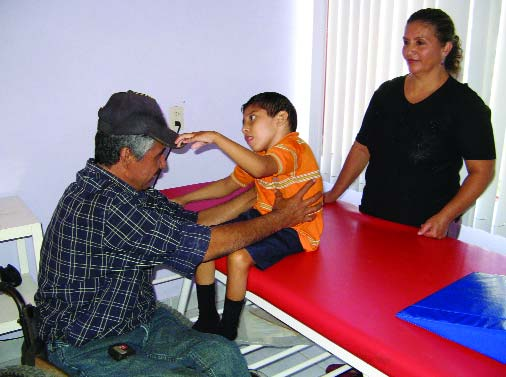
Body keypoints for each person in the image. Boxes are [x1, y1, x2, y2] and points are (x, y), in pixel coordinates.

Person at [34, 90, 322, 377]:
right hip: (88, 343)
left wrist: (256, 195)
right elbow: (207, 246)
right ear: (126, 155)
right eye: (159, 155)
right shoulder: (107, 206)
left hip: (141, 320)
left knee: (223, 355)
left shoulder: (130, 193)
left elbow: (198, 221)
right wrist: (282, 217)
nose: (164, 165)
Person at [323, 8, 495, 239]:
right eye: (406, 42)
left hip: (428, 228)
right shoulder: (387, 93)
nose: (409, 51)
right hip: (374, 217)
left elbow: (481, 172)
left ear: (445, 48)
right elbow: (362, 148)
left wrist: (444, 217)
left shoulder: (467, 106)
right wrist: (334, 193)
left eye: (420, 43)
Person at [173, 92, 323, 340]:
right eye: (243, 122)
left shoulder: (293, 148)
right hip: (264, 215)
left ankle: (228, 329)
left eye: (252, 118)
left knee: (239, 257)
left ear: (281, 118)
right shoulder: (262, 156)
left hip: (298, 229)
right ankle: (208, 317)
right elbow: (228, 184)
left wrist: (216, 138)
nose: (245, 128)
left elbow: (262, 168)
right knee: (204, 243)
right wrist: (185, 199)